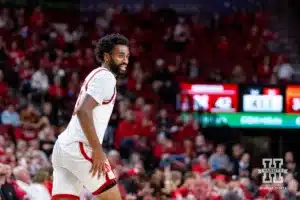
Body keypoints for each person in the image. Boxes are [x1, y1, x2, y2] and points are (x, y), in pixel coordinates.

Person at [51, 33, 130, 200]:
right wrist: (98, 150)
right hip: (79, 147)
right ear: (107, 57)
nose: (126, 61)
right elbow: (83, 111)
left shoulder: (95, 74)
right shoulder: (106, 77)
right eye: (121, 55)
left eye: (127, 56)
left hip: (63, 147)